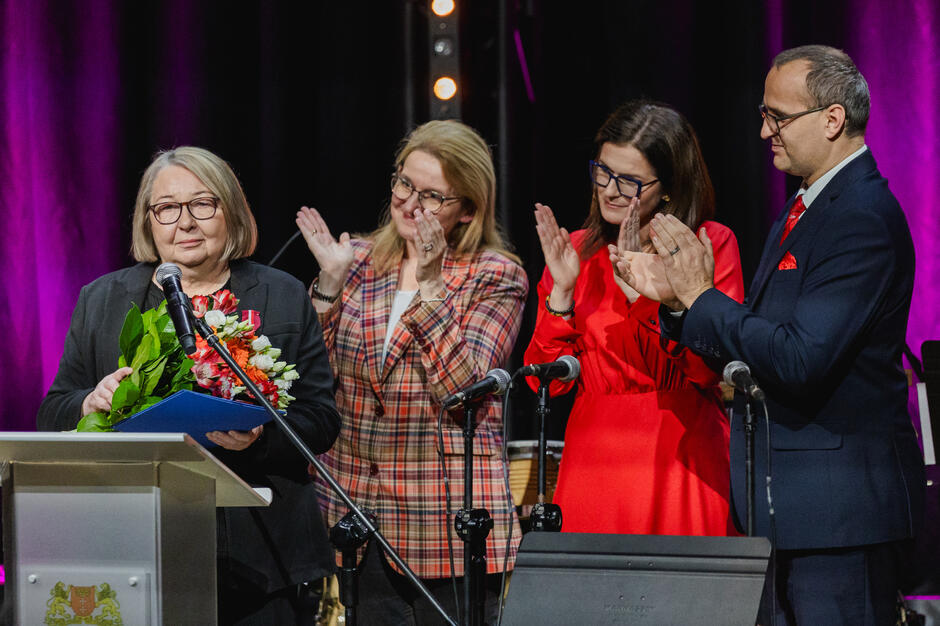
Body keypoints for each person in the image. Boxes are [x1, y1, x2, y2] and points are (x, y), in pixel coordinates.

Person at [625, 46, 925, 625]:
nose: (764, 131)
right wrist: (678, 304)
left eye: (777, 117)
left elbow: (798, 357)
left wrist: (700, 297)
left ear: (832, 119)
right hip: (787, 507)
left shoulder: (860, 216)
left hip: (839, 517)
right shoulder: (808, 205)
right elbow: (759, 339)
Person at [37, 146, 342, 624]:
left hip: (263, 551)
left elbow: (321, 419)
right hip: (139, 543)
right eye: (167, 208)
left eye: (203, 204)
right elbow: (54, 408)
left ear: (231, 212)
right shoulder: (102, 300)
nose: (186, 222)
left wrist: (261, 436)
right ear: (148, 220)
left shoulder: (281, 295)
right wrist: (89, 403)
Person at [295, 119, 526, 624]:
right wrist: (328, 287)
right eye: (404, 183)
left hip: (443, 523)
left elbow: (464, 393)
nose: (410, 203)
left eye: (432, 196)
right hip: (353, 516)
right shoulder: (354, 260)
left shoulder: (496, 275)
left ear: (467, 210)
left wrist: (431, 286)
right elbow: (305, 382)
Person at [524, 100, 744, 536]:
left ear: (668, 187)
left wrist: (671, 302)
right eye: (602, 172)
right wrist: (563, 292)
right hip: (595, 464)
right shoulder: (578, 251)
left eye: (629, 181)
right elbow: (544, 383)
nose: (609, 190)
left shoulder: (707, 245)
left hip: (681, 459)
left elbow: (708, 370)